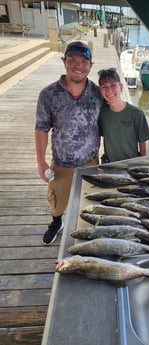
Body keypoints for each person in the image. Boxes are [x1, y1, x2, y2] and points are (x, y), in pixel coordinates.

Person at [35, 41, 103, 245]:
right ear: (64, 62)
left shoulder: (99, 93)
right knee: (57, 201)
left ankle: (87, 232)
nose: (78, 66)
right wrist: (41, 162)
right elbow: (41, 128)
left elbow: (114, 120)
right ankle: (56, 223)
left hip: (90, 162)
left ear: (90, 65)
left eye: (84, 61)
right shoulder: (48, 94)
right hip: (61, 163)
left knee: (89, 204)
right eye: (72, 60)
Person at [98, 68, 149, 163]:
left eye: (113, 85)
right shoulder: (101, 114)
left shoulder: (136, 113)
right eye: (104, 87)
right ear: (100, 91)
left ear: (121, 87)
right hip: (109, 165)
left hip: (131, 164)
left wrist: (143, 164)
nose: (109, 90)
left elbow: (143, 141)